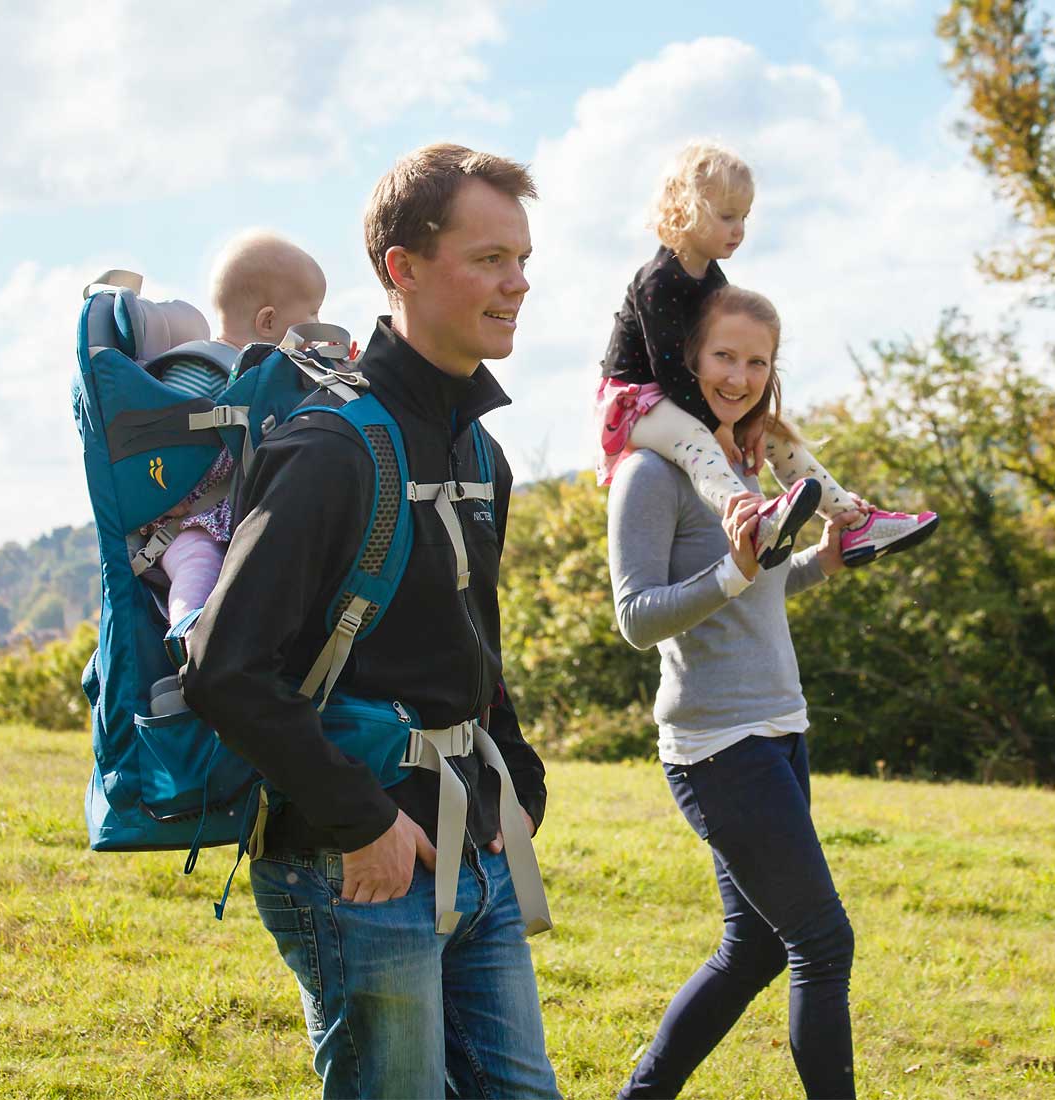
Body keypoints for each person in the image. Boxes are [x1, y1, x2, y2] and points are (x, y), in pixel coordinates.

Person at [182, 145, 559, 1099]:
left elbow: (476, 642)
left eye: (521, 259)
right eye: (488, 259)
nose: (516, 283)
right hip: (358, 869)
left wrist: (518, 779)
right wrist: (362, 824)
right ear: (403, 267)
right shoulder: (328, 448)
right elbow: (225, 668)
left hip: (476, 848)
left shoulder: (480, 449)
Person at [608, 286, 859, 1099]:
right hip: (718, 749)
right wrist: (733, 569)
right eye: (724, 356)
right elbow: (637, 618)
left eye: (758, 361)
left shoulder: (742, 469)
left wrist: (820, 563)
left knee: (752, 947)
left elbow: (756, 595)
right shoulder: (651, 473)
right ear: (688, 359)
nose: (740, 375)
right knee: (822, 943)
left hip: (781, 731)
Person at [598, 139, 937, 570]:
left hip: (686, 396)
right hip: (635, 401)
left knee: (775, 433)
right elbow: (668, 370)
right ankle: (751, 519)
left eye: (744, 217)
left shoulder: (713, 280)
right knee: (697, 443)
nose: (739, 229)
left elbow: (735, 354)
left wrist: (753, 417)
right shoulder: (658, 280)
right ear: (686, 208)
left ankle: (850, 520)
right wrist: (719, 424)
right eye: (726, 217)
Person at [149, 231, 328, 625]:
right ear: (268, 321)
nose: (319, 324)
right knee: (198, 564)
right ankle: (187, 634)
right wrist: (164, 496)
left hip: (239, 521)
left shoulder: (276, 383)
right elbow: (162, 439)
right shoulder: (204, 370)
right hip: (189, 521)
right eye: (312, 313)